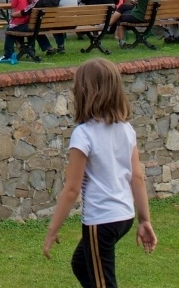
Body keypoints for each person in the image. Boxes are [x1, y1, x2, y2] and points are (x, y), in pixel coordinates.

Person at [41, 58, 157, 286]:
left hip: (101, 221)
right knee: (81, 264)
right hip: (123, 217)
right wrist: (144, 220)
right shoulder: (126, 129)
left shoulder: (83, 135)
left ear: (83, 93)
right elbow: (137, 177)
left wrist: (52, 229)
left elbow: (72, 189)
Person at [0, 0, 33, 66]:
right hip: (27, 23)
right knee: (11, 29)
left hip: (19, 22)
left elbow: (13, 5)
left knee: (9, 30)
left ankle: (8, 53)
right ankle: (23, 48)